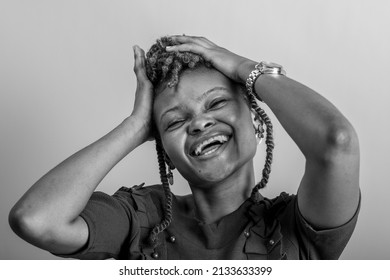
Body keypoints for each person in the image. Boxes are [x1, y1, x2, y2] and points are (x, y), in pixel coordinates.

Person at [9, 35, 360, 260]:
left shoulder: (294, 227)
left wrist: (244, 68)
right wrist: (135, 126)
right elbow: (36, 220)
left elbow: (337, 143)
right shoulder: (140, 218)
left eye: (217, 103)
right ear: (166, 154)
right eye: (175, 122)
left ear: (256, 121)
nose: (198, 123)